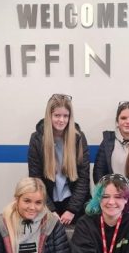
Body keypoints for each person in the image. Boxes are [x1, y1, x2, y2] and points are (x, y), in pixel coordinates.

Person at [28, 94, 90, 225]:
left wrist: (72, 209)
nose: (61, 120)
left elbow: (84, 178)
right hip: (48, 201)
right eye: (57, 115)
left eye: (65, 116)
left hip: (74, 203)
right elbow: (36, 179)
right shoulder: (37, 139)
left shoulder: (78, 137)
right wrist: (50, 209)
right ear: (49, 115)